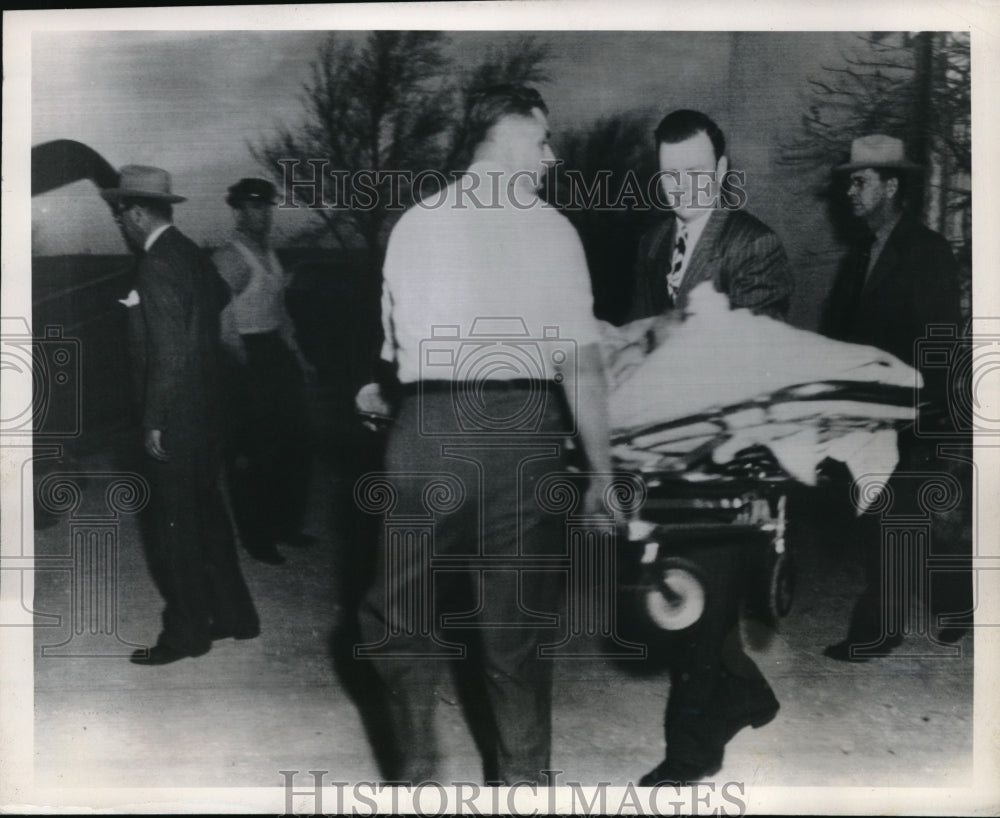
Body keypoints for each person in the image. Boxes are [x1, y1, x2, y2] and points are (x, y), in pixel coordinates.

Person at [354, 85, 614, 784]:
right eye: (543, 138)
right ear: (503, 133)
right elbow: (582, 364)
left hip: (427, 429)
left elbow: (392, 351)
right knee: (516, 630)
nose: (553, 156)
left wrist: (390, 396)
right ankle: (526, 784)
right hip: (522, 435)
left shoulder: (412, 223)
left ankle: (414, 768)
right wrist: (603, 473)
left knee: (396, 614)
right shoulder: (552, 230)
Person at [628, 110, 791, 786]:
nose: (682, 188)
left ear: (721, 173)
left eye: (696, 173)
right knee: (671, 598)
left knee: (698, 601)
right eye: (670, 175)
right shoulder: (651, 242)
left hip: (730, 458)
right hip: (665, 453)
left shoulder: (754, 246)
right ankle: (748, 694)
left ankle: (693, 754)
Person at [821, 134, 971, 661]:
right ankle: (959, 605)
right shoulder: (862, 254)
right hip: (873, 409)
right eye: (849, 184)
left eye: (860, 182)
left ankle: (878, 632)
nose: (850, 193)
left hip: (913, 410)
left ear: (890, 185)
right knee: (909, 518)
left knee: (895, 516)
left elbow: (940, 339)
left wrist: (923, 416)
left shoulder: (925, 250)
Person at [104, 165, 260, 665]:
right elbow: (215, 299)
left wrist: (153, 419)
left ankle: (188, 634)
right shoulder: (191, 252)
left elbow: (168, 352)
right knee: (208, 517)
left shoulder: (154, 264)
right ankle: (237, 616)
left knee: (174, 531)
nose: (119, 223)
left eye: (121, 214)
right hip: (207, 413)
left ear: (136, 211)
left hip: (175, 416)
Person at [213, 177, 315, 566]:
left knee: (297, 442)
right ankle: (257, 538)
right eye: (254, 208)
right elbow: (220, 320)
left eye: (267, 207)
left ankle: (286, 525)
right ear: (238, 211)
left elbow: (282, 312)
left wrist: (299, 357)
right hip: (244, 354)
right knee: (253, 452)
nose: (263, 214)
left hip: (274, 350)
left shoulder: (270, 254)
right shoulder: (230, 257)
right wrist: (242, 365)